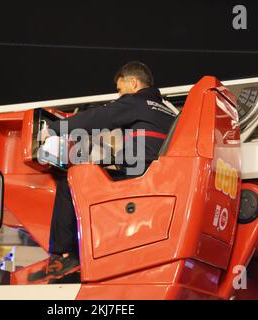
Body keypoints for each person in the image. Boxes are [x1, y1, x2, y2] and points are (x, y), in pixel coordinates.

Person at [28, 61, 176, 283]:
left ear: (133, 83)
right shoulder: (168, 110)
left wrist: (53, 129)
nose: (119, 96)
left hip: (137, 176)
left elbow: (98, 118)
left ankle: (64, 256)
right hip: (157, 176)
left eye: (119, 90)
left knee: (70, 183)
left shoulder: (136, 101)